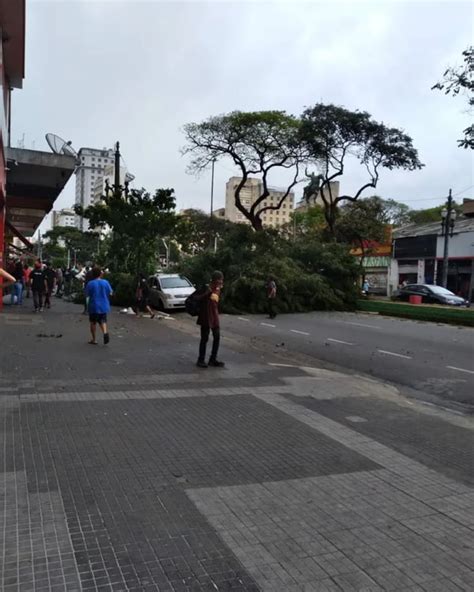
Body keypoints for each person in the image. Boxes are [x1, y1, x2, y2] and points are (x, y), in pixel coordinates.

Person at [195, 271, 225, 369]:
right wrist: (207, 293)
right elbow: (197, 298)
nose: (221, 282)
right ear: (215, 280)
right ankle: (201, 359)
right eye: (220, 280)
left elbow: (216, 303)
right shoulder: (206, 288)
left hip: (214, 317)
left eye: (221, 280)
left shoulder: (218, 289)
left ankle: (213, 359)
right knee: (204, 338)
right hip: (205, 317)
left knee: (217, 337)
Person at [85, 267, 113, 345]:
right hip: (104, 305)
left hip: (94, 305)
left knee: (93, 322)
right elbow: (111, 293)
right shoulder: (106, 282)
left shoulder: (90, 283)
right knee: (103, 320)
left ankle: (94, 339)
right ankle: (105, 332)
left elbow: (87, 295)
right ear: (100, 274)